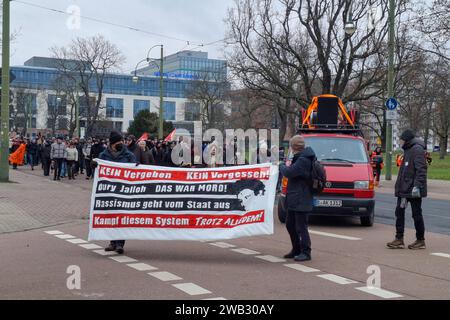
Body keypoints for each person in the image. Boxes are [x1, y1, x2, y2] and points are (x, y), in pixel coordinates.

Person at [387, 129, 428, 250]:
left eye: (401, 140)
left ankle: (420, 240)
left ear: (407, 140)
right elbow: (405, 170)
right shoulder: (408, 150)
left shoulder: (417, 150)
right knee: (399, 212)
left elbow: (421, 170)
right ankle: (399, 239)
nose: (400, 142)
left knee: (416, 214)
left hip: (413, 190)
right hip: (404, 189)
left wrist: (417, 186)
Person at [279, 135, 316, 262]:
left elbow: (290, 172)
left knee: (301, 226)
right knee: (290, 224)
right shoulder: (301, 157)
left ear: (294, 147)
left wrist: (281, 166)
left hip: (301, 197)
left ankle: (306, 252)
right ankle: (296, 248)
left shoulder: (304, 159)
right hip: (296, 197)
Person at [99, 130, 136, 254]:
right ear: (113, 143)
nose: (122, 143)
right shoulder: (103, 156)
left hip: (123, 190)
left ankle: (120, 243)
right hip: (109, 191)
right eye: (120, 141)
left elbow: (135, 168)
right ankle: (112, 242)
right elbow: (99, 171)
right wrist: (95, 166)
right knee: (111, 216)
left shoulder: (128, 155)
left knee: (121, 216)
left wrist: (136, 166)